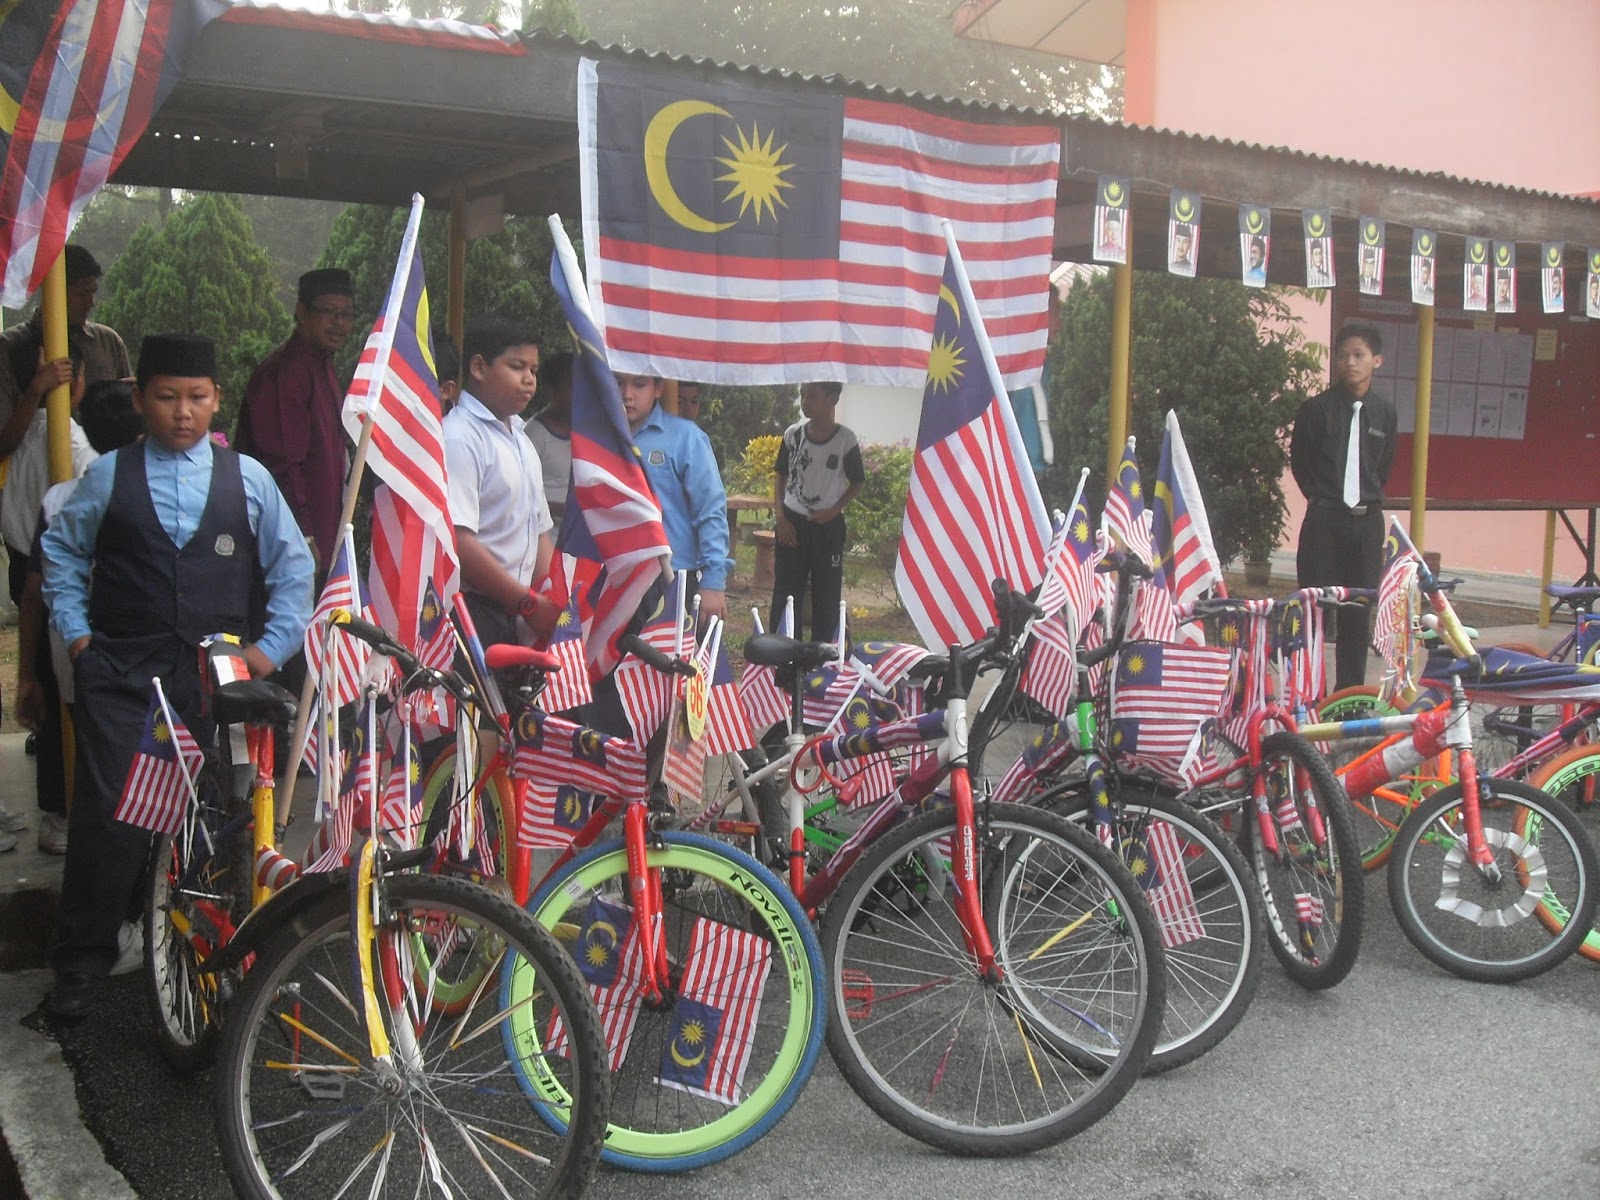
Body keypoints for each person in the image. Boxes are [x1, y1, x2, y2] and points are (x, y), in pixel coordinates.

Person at [40, 332, 314, 1020]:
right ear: (140, 400)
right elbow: (62, 554)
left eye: (196, 398)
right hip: (123, 676)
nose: (182, 412)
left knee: (216, 822)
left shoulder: (249, 480)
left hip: (217, 683)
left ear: (217, 400)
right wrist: (77, 640)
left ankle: (207, 956)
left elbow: (293, 572)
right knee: (109, 821)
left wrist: (266, 652)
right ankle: (80, 966)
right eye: (166, 397)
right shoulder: (107, 475)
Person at [18, 380, 143, 856]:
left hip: (72, 652)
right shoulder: (146, 491)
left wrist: (28, 673)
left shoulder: (59, 498)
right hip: (127, 653)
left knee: (92, 756)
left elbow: (33, 593)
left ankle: (79, 831)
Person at [0, 339, 97, 852]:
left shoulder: (26, 436)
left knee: (51, 691)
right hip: (62, 582)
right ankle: (64, 812)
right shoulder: (80, 455)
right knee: (73, 700)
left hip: (25, 565)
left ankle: (55, 814)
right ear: (75, 382)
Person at [1290, 323, 1397, 691]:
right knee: (1315, 609)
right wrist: (1326, 500)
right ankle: (1309, 692)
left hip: (1366, 524)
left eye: (1359, 355)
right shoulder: (1317, 410)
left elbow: (1382, 468)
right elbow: (1301, 465)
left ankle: (1349, 696)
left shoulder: (1384, 413)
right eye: (1343, 356)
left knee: (1358, 612)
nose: (1350, 363)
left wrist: (1362, 501)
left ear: (1376, 361)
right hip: (1325, 520)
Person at [444, 315, 557, 649]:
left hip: (520, 611)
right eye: (517, 367)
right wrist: (528, 603)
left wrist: (550, 594)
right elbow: (459, 540)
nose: (528, 380)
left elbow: (540, 529)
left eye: (534, 371)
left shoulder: (520, 437)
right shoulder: (459, 437)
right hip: (471, 610)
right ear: (478, 368)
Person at [234, 268, 355, 576]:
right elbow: (282, 464)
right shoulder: (285, 374)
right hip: (295, 543)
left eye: (346, 314)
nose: (339, 323)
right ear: (302, 312)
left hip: (326, 534)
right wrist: (304, 534)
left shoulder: (322, 366)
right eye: (329, 312)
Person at [0, 245, 131, 462]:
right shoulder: (7, 348)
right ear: (53, 291)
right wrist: (35, 391)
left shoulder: (108, 342)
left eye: (93, 292)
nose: (91, 302)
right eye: (81, 293)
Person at [616, 373, 730, 624]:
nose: (627, 394)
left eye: (639, 384)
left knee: (672, 660)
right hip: (613, 578)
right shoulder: (598, 438)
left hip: (672, 577)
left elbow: (711, 511)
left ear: (658, 388)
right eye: (618, 383)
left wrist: (713, 581)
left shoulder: (686, 438)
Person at [771, 381, 863, 644]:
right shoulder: (793, 435)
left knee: (827, 595)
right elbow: (781, 474)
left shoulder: (845, 440)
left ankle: (825, 657)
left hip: (828, 527)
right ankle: (784, 654)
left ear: (832, 399)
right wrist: (781, 518)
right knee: (787, 592)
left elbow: (858, 482)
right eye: (802, 395)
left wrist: (833, 511)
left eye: (812, 396)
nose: (805, 401)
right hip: (792, 523)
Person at [526, 350, 573, 524]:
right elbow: (522, 497)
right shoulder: (534, 435)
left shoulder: (590, 431)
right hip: (547, 537)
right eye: (573, 386)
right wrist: (566, 509)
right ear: (551, 390)